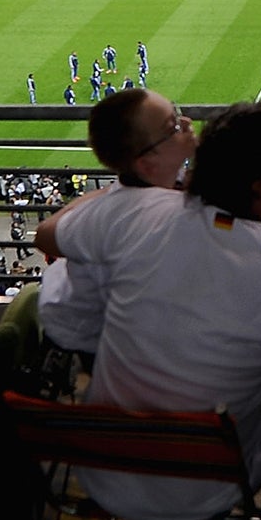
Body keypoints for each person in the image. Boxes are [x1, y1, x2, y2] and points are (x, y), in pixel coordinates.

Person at [34, 101, 261, 520]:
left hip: (106, 468)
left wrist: (118, 191)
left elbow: (50, 235)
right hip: (212, 483)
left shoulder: (134, 211)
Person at [35, 87, 197, 354]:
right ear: (146, 164)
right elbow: (45, 236)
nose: (187, 124)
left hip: (78, 320)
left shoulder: (111, 207)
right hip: (81, 340)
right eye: (173, 127)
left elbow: (48, 233)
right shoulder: (116, 215)